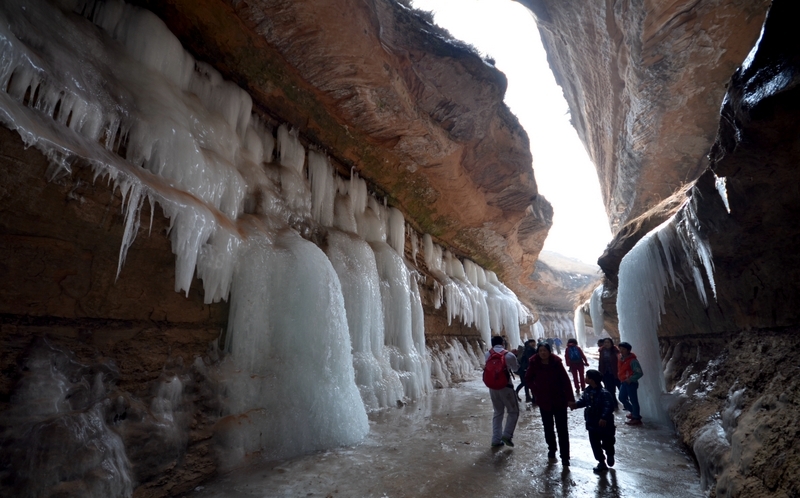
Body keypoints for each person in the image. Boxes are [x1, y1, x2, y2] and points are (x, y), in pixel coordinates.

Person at [525, 342, 575, 466]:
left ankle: (565, 456)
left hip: (559, 400)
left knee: (562, 429)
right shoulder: (534, 363)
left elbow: (566, 381)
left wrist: (570, 399)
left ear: (549, 351)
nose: (542, 353)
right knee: (548, 428)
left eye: (545, 350)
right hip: (544, 401)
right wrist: (536, 390)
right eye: (540, 350)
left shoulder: (556, 363)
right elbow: (528, 379)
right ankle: (552, 449)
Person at [569, 369, 616, 472]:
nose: (585, 379)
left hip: (604, 424)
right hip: (592, 422)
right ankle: (601, 462)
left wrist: (603, 417)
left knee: (607, 441)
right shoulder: (587, 391)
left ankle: (610, 454)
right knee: (595, 444)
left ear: (592, 379)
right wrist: (576, 405)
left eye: (587, 377)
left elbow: (609, 406)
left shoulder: (604, 393)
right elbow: (584, 401)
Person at [485, 335, 520, 446]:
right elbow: (516, 369)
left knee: (498, 412)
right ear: (503, 343)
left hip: (492, 387)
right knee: (513, 412)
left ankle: (495, 440)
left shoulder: (488, 354)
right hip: (506, 387)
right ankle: (507, 435)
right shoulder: (509, 355)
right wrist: (515, 357)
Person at [617, 342, 644, 425]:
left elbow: (639, 373)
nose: (621, 350)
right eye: (620, 348)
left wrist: (631, 379)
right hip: (624, 382)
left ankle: (636, 418)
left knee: (633, 400)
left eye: (623, 349)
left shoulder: (633, 361)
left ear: (628, 350)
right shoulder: (622, 359)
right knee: (621, 398)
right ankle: (633, 412)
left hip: (631, 383)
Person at [598, 338, 620, 403]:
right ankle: (614, 403)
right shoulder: (602, 351)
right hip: (606, 372)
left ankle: (626, 403)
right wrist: (600, 372)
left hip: (616, 372)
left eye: (608, 342)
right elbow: (600, 362)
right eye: (605, 343)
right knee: (610, 389)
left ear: (611, 343)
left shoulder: (615, 350)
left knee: (620, 387)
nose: (606, 344)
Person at [515, 340, 536, 404]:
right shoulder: (530, 350)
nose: (534, 344)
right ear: (530, 343)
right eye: (533, 342)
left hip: (523, 369)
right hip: (527, 369)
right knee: (529, 383)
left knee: (525, 383)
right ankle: (533, 398)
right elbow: (530, 360)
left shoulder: (525, 349)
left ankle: (528, 397)